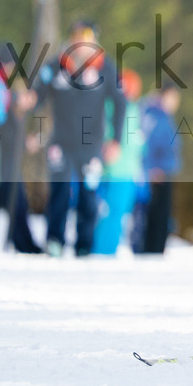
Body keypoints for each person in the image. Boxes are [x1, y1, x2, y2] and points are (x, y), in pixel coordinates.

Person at [27, 21, 125, 257]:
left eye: (86, 36)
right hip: (60, 142)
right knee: (59, 191)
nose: (80, 42)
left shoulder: (106, 67)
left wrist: (116, 141)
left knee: (88, 195)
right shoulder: (56, 65)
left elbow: (120, 103)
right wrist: (33, 129)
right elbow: (37, 97)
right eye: (76, 36)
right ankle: (54, 241)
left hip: (91, 144)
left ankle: (84, 245)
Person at [0, 46, 41, 253]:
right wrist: (16, 102)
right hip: (0, 152)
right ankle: (24, 243)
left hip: (1, 151)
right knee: (16, 199)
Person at [92, 69, 145, 255]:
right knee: (112, 212)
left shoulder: (131, 108)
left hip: (127, 170)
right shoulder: (111, 107)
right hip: (115, 171)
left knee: (118, 213)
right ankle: (102, 251)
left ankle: (108, 250)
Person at [139, 83, 182, 254]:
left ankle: (157, 251)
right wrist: (153, 168)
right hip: (157, 174)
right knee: (156, 214)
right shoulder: (153, 116)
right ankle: (152, 251)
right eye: (172, 97)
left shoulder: (164, 116)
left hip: (165, 171)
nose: (175, 102)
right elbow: (147, 144)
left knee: (163, 215)